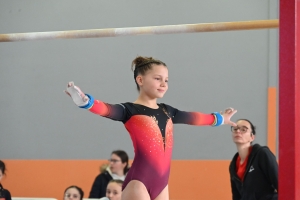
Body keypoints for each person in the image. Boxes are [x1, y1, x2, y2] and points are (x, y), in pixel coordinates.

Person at [65, 56, 237, 200]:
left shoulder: (167, 111)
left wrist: (220, 118)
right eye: (157, 78)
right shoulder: (129, 110)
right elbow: (107, 109)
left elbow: (193, 118)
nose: (163, 84)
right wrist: (85, 102)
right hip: (138, 181)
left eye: (166, 80)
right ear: (140, 80)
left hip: (162, 183)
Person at [229, 119, 278, 200]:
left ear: (252, 137)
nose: (238, 131)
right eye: (235, 129)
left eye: (243, 129)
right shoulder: (233, 165)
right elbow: (236, 196)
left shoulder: (262, 154)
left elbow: (280, 185)